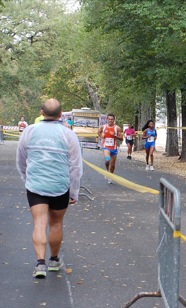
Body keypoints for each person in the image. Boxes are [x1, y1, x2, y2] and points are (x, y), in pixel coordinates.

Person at [16, 98, 83, 278]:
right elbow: (76, 167)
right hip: (60, 186)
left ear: (41, 112)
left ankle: (40, 264)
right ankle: (53, 260)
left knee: (39, 223)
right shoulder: (68, 134)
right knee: (56, 223)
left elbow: (21, 159)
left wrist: (26, 178)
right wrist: (74, 191)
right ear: (61, 115)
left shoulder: (29, 131)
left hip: (36, 185)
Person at [97, 113, 123, 183]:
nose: (110, 120)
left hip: (114, 148)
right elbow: (98, 132)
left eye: (112, 119)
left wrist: (115, 136)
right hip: (106, 147)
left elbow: (121, 138)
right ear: (107, 119)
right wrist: (101, 135)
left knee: (113, 164)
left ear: (114, 120)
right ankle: (107, 171)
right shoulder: (103, 127)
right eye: (109, 119)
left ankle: (110, 176)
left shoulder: (117, 128)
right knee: (107, 159)